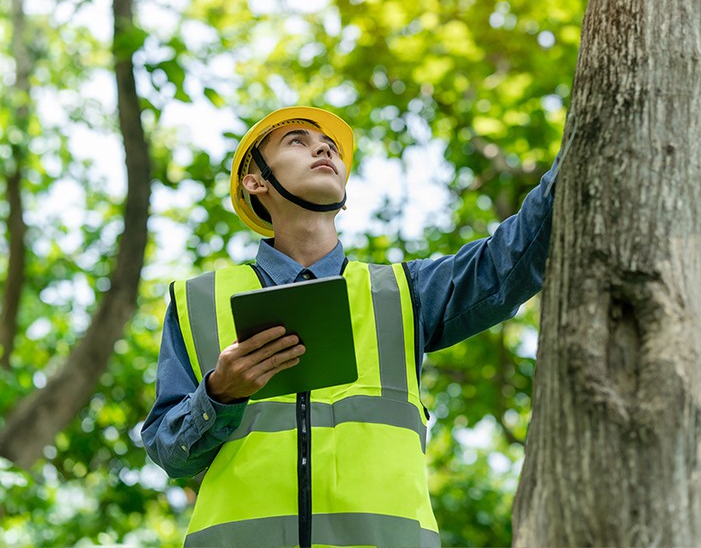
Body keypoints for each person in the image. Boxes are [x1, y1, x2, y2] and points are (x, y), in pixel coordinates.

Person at [142, 106, 556, 547]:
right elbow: (169, 453)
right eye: (297, 141)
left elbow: (511, 259)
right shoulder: (198, 302)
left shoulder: (404, 293)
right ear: (255, 181)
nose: (323, 147)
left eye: (332, 147)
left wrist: (579, 144)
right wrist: (219, 393)